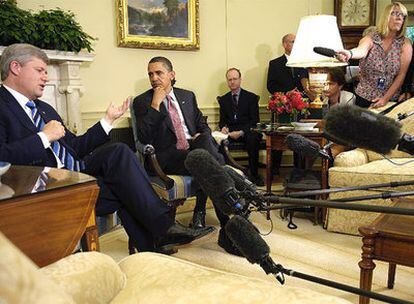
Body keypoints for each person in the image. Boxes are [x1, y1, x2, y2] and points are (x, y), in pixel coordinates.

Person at [0, 43, 213, 255]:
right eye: (40, 71)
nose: (46, 77)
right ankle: (158, 238)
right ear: (16, 68)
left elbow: (75, 147)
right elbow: (3, 157)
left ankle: (157, 240)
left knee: (118, 151)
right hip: (42, 187)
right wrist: (43, 137)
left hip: (76, 173)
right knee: (124, 188)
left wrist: (107, 121)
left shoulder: (44, 108)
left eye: (47, 71)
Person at [132, 56, 241, 256]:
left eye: (159, 73)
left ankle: (223, 223)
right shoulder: (143, 101)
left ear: (172, 75)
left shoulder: (187, 96)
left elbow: (203, 126)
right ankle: (230, 227)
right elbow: (144, 138)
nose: (154, 78)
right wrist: (156, 105)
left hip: (195, 150)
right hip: (167, 157)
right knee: (208, 163)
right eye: (150, 74)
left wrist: (203, 135)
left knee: (204, 146)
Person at [337, 2, 412, 109]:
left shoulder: (405, 44)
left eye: (402, 15)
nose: (399, 18)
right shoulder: (371, 38)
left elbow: (401, 75)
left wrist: (385, 99)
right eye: (395, 13)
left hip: (390, 101)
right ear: (386, 16)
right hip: (364, 98)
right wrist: (349, 53)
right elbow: (361, 50)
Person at [218, 68, 263, 186]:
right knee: (216, 140)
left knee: (253, 138)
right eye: (229, 79)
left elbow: (255, 121)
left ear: (240, 80)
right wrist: (223, 128)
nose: (232, 82)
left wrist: (242, 132)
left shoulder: (251, 97)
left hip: (248, 130)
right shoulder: (223, 100)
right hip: (231, 132)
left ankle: (253, 175)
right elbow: (222, 121)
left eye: (235, 79)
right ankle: (228, 176)